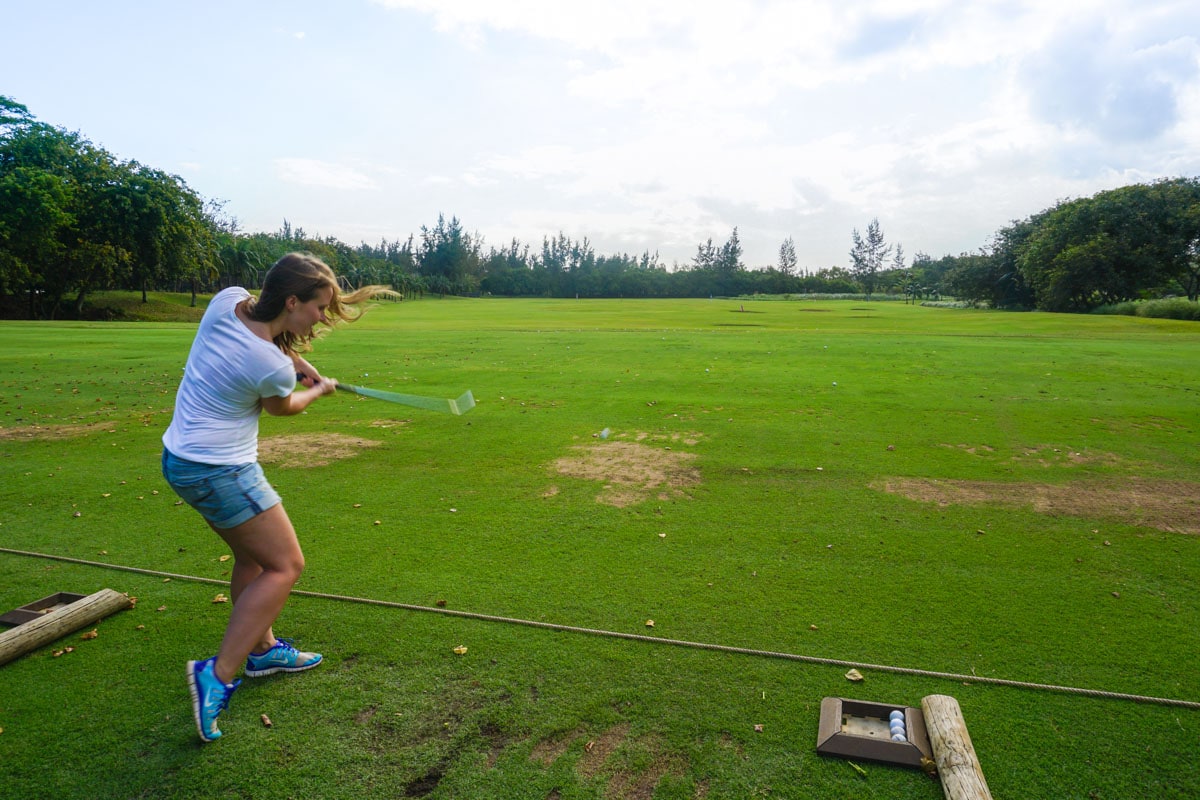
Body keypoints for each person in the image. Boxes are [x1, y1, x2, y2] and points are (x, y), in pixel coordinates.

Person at [162, 252, 389, 742]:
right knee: (286, 565)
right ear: (291, 301)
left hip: (180, 459)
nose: (322, 317)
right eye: (318, 307)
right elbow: (284, 407)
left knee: (254, 559)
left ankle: (262, 650)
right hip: (220, 470)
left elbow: (270, 343)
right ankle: (217, 675)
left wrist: (301, 362)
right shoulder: (267, 363)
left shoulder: (227, 302)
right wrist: (318, 389)